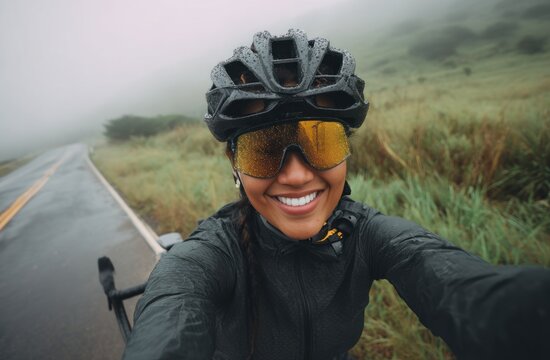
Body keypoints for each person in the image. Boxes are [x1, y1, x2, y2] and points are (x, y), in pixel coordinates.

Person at [122, 29, 550, 360]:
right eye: (263, 149)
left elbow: (462, 285)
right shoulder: (214, 252)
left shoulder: (368, 235)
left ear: (345, 153)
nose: (295, 175)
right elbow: (174, 309)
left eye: (320, 141)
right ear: (235, 165)